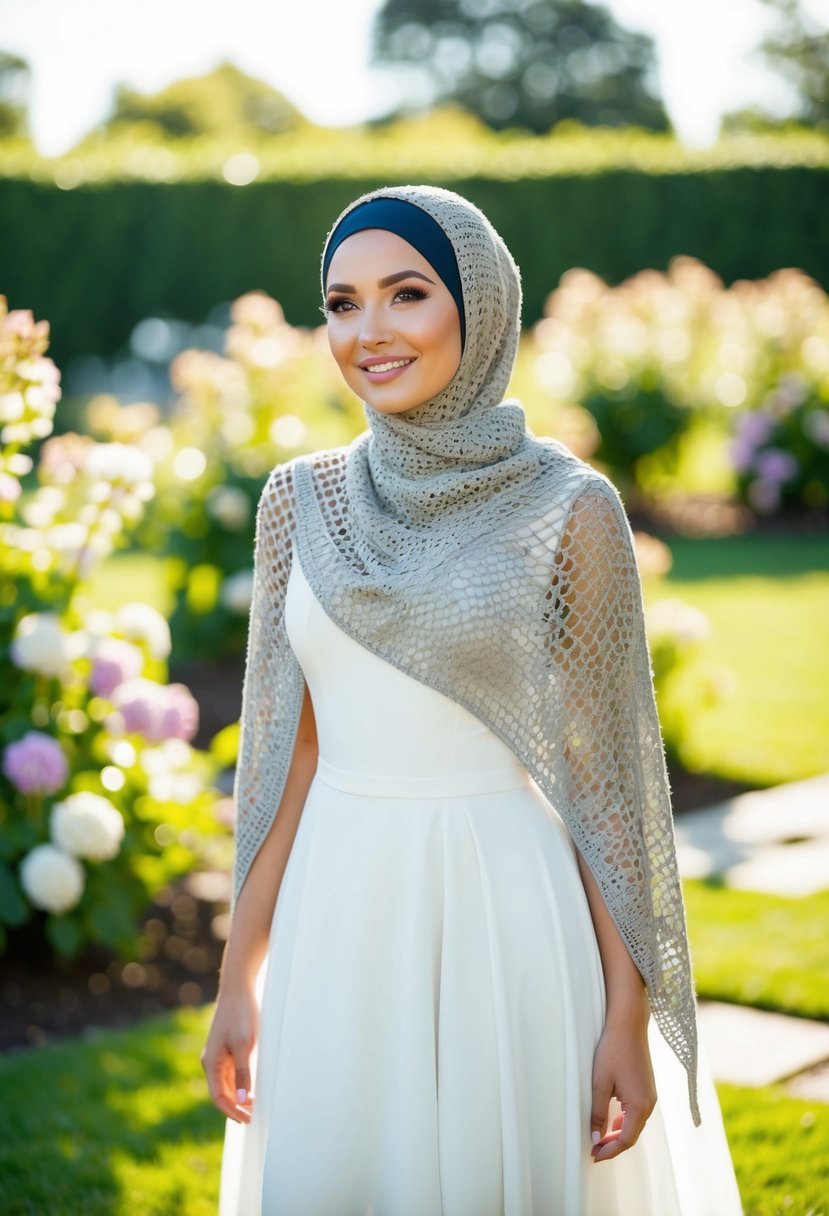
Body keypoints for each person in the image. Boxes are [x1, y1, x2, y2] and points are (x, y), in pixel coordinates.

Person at [202, 184, 743, 1215]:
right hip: (337, 912)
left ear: (480, 304)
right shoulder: (297, 500)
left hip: (505, 914)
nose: (369, 332)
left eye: (406, 294)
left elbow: (604, 776)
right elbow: (285, 756)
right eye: (341, 303)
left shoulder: (569, 506)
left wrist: (625, 1011)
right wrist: (239, 977)